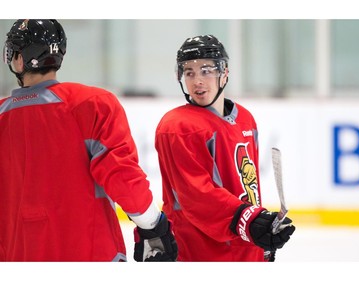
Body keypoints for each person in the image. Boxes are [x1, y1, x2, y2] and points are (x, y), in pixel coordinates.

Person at [0, 19, 177, 262]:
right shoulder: (92, 104)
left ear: (18, 59)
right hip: (90, 255)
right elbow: (122, 176)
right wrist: (153, 225)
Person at [155, 34, 295, 261]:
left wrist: (262, 235)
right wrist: (250, 221)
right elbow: (196, 194)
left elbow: (248, 186)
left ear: (224, 74)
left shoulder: (245, 119)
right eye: (189, 72)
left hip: (244, 244)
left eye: (206, 70)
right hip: (200, 250)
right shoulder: (178, 126)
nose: (197, 80)